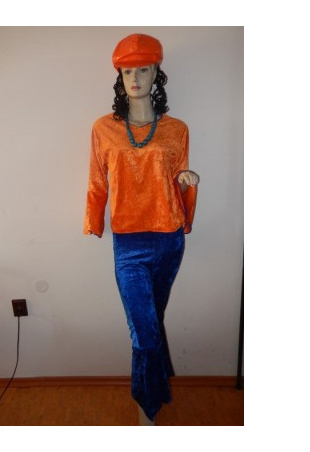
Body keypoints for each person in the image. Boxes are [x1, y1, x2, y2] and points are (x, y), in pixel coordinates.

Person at [83, 34, 199, 425]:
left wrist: (187, 183)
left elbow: (179, 178)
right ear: (120, 76)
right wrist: (93, 220)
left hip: (168, 239)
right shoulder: (103, 129)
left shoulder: (177, 129)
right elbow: (97, 180)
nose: (135, 79)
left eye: (143, 70)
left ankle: (157, 387)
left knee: (153, 320)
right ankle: (147, 408)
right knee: (144, 331)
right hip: (129, 243)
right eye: (128, 71)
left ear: (156, 74)